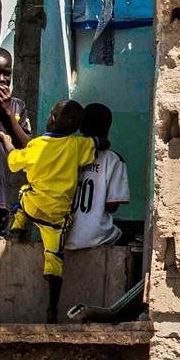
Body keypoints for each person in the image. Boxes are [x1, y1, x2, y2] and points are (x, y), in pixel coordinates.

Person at [0, 100, 97, 323]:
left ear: (52, 119)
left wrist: (5, 140)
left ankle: (17, 229)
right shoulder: (78, 145)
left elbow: (13, 161)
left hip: (34, 206)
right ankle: (51, 309)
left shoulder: (36, 146)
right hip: (57, 218)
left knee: (23, 193)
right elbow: (99, 144)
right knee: (54, 259)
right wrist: (99, 139)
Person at [64, 103, 131, 253]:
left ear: (80, 127)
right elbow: (111, 207)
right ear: (108, 128)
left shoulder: (67, 153)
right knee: (131, 239)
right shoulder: (114, 159)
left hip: (61, 234)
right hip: (96, 234)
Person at [0, 49, 32, 236]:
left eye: (7, 73)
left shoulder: (18, 106)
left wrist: (8, 112)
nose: (2, 79)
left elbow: (26, 147)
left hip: (2, 191)